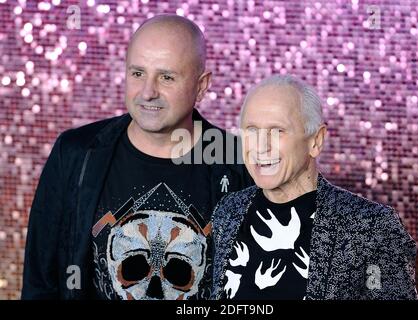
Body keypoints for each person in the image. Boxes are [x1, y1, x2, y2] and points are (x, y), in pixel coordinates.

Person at [22, 14, 252, 300]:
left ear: (202, 86)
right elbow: (40, 281)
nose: (147, 92)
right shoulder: (75, 154)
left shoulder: (240, 164)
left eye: (166, 77)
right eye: (138, 73)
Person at [211, 74, 418, 300]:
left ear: (315, 141)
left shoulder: (371, 227)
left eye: (277, 131)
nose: (261, 146)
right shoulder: (228, 211)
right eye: (251, 130)